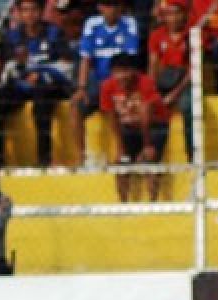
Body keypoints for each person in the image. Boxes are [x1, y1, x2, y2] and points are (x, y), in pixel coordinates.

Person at [0, 0, 72, 167]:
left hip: (49, 85)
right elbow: (8, 67)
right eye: (25, 10)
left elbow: (66, 66)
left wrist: (42, 74)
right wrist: (22, 70)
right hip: (22, 85)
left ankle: (44, 158)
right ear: (19, 13)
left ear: (41, 11)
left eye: (34, 9)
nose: (30, 14)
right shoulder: (12, 37)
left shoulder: (54, 33)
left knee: (42, 99)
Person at [71, 0, 139, 165]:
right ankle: (81, 156)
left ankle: (121, 152)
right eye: (107, 5)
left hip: (120, 83)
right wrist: (81, 87)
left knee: (114, 104)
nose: (112, 9)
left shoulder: (129, 23)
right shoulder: (92, 24)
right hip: (99, 82)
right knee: (75, 105)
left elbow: (129, 61)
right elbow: (85, 59)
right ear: (100, 7)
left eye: (115, 5)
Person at [100, 53, 169, 202]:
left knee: (149, 163)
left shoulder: (145, 83)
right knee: (121, 164)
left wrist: (147, 145)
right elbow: (112, 117)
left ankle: (153, 203)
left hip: (153, 128)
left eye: (125, 71)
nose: (121, 76)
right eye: (117, 72)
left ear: (133, 71)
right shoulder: (107, 86)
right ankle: (123, 203)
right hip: (128, 128)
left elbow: (147, 115)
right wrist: (120, 148)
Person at [148, 0, 193, 161]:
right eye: (169, 14)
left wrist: (174, 95)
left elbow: (192, 71)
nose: (173, 18)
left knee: (189, 107)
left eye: (177, 13)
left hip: (185, 83)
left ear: (185, 14)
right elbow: (153, 66)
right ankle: (153, 156)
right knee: (151, 106)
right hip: (164, 80)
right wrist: (153, 92)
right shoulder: (156, 35)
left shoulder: (192, 34)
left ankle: (192, 156)